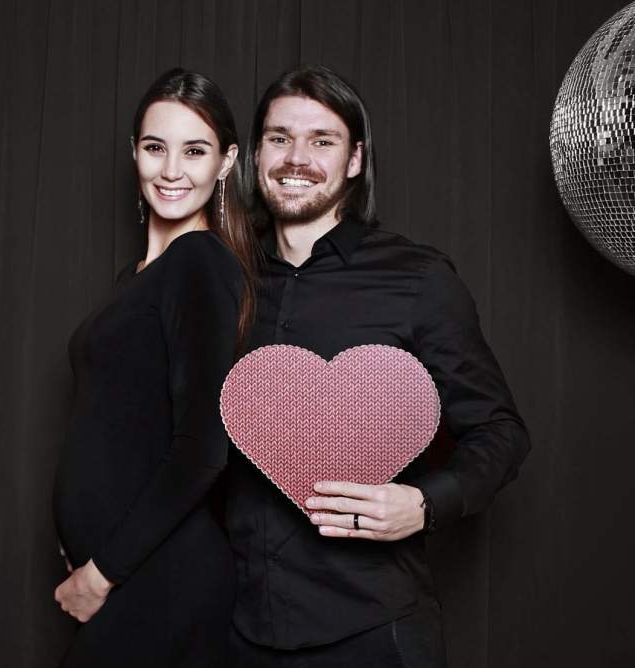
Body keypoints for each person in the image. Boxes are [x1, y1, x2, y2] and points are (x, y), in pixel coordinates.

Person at [223, 64, 531, 667]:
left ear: (355, 160)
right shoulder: (225, 280)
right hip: (240, 627)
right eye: (280, 138)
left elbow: (501, 431)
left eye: (322, 140)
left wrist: (424, 503)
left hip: (373, 628)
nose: (296, 158)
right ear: (256, 154)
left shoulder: (418, 279)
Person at [51, 68, 257, 668]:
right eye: (154, 147)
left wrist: (100, 573)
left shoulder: (199, 262)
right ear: (133, 152)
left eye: (194, 151)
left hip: (161, 576)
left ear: (226, 162)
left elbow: (202, 450)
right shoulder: (137, 278)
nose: (170, 170)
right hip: (130, 571)